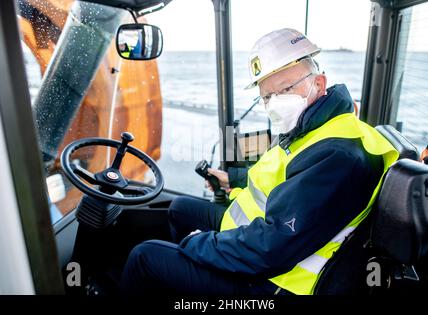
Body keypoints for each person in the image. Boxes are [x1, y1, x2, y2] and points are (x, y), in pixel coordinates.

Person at [119, 28, 399, 295]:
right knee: (179, 208)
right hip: (259, 235)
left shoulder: (339, 156)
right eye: (266, 96)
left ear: (319, 83)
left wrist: (197, 243)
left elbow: (272, 247)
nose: (273, 103)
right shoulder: (314, 127)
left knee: (145, 257)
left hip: (277, 282)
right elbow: (285, 177)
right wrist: (235, 180)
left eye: (283, 89)